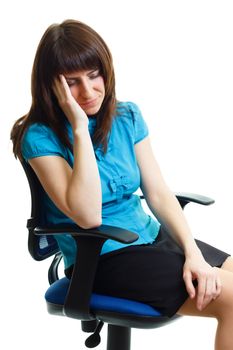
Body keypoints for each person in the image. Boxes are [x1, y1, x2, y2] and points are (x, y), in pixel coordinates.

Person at [10, 19, 233, 349]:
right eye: (72, 82)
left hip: (152, 237)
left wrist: (193, 254)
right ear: (52, 86)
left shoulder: (127, 116)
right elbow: (88, 217)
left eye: (93, 75)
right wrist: (79, 127)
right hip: (104, 258)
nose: (87, 91)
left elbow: (157, 192)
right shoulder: (39, 136)